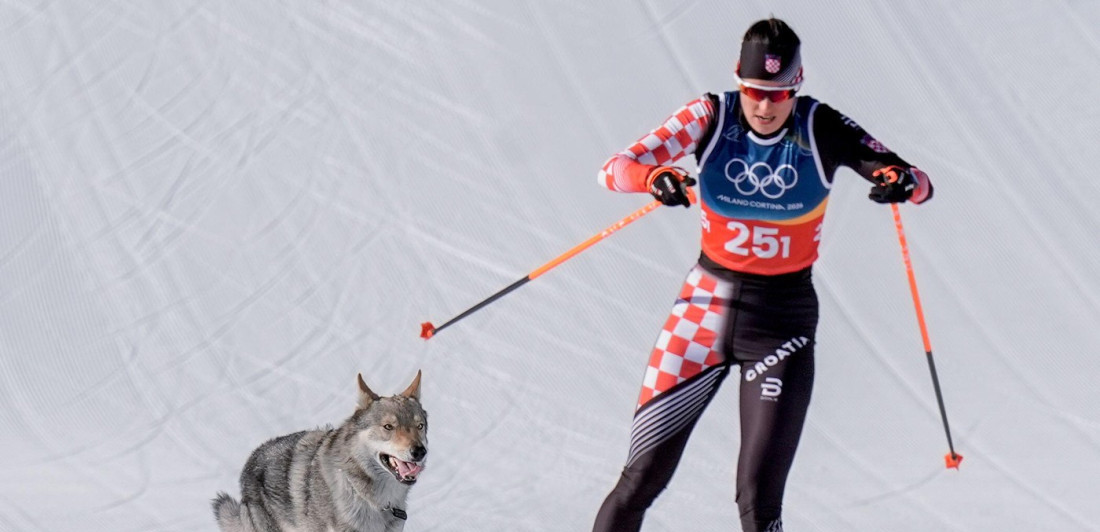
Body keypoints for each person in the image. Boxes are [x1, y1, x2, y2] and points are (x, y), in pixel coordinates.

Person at [592, 17, 933, 532]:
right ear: (738, 80)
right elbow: (613, 169)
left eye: (778, 94)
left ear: (796, 86)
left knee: (757, 500)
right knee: (640, 480)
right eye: (754, 91)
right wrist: (653, 176)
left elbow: (917, 180)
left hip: (782, 325)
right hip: (700, 315)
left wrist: (900, 181)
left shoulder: (821, 126)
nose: (764, 106)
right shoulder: (710, 114)